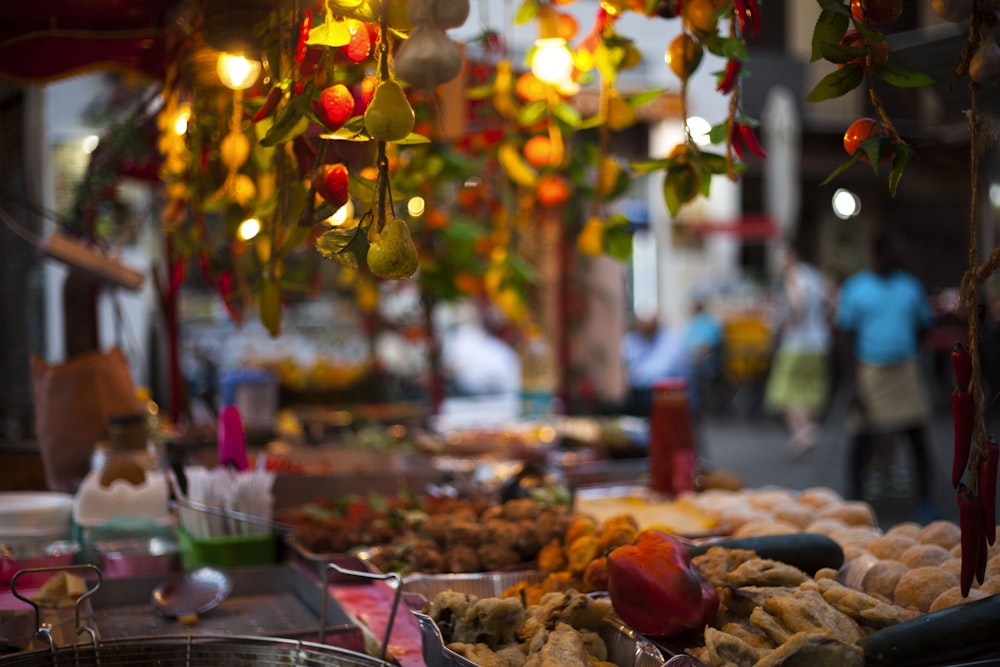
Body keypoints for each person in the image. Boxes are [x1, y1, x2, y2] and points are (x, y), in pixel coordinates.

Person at [834, 228, 938, 520]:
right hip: (869, 370)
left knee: (916, 436)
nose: (901, 255)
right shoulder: (856, 288)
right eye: (895, 249)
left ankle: (926, 499)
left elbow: (923, 327)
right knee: (861, 438)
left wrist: (903, 349)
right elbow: (845, 337)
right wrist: (852, 385)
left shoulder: (910, 287)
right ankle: (854, 500)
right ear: (879, 253)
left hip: (904, 369)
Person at [764, 238, 836, 460]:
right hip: (819, 342)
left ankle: (805, 432)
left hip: (797, 343)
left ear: (790, 255)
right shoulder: (813, 274)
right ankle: (806, 431)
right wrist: (823, 322)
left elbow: (798, 303)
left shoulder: (793, 276)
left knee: (783, 391)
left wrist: (789, 322)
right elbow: (834, 298)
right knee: (811, 390)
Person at [620, 314, 690, 417]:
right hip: (639, 396)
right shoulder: (632, 339)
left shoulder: (670, 339)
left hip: (667, 396)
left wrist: (637, 374)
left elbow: (662, 370)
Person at [682, 298, 724, 417]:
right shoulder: (693, 324)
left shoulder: (707, 322)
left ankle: (693, 405)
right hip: (690, 359)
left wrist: (694, 360)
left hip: (705, 362)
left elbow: (707, 346)